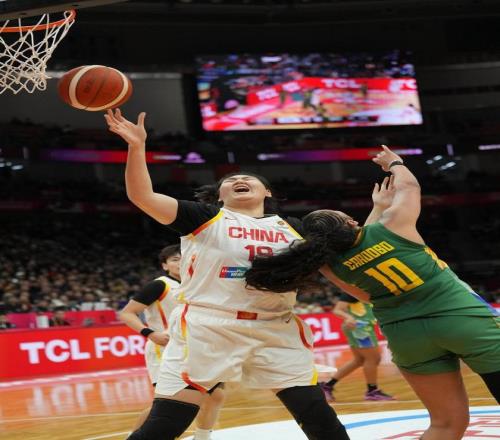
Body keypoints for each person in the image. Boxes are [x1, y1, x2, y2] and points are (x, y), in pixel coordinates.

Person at [105, 108, 350, 440]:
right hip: (209, 327)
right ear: (220, 196)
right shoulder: (205, 217)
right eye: (229, 182)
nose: (237, 181)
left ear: (267, 193)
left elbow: (339, 251)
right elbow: (142, 196)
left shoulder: (293, 228)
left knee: (320, 419)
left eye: (248, 179)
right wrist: (137, 147)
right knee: (165, 425)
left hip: (274, 326)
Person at [246, 145, 500, 440]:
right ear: (350, 222)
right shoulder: (393, 225)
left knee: (445, 425)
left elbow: (366, 288)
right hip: (461, 319)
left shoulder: (330, 265)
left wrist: (378, 207)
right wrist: (395, 163)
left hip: (407, 337)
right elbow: (409, 187)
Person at [119, 244, 225, 440]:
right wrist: (150, 333)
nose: (180, 262)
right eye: (175, 259)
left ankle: (202, 437)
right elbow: (127, 313)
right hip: (165, 348)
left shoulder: (198, 283)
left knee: (215, 395)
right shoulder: (160, 285)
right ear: (165, 265)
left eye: (184, 258)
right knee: (164, 404)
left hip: (197, 349)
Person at [319, 293, 394, 402]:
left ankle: (327, 386)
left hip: (363, 327)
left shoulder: (366, 290)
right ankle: (372, 391)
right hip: (359, 328)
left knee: (359, 360)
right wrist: (349, 317)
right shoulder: (353, 291)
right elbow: (337, 310)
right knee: (374, 358)